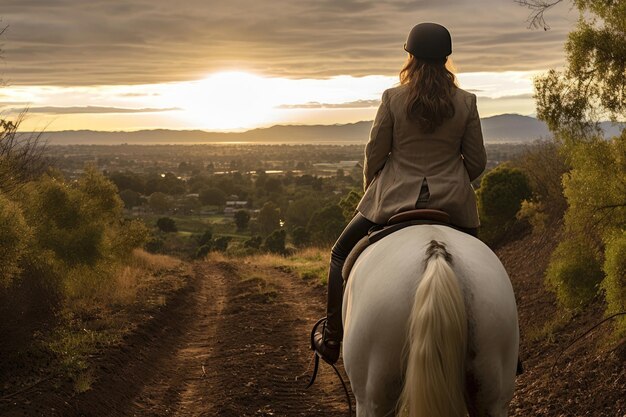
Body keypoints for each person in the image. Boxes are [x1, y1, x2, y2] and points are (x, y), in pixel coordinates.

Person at [312, 22, 487, 365]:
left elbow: (375, 154)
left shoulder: (393, 98)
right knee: (485, 267)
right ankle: (507, 354)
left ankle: (332, 338)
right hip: (454, 203)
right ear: (446, 59)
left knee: (338, 254)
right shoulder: (466, 102)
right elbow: (477, 162)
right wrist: (452, 180)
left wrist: (374, 191)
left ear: (410, 57)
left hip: (393, 199)